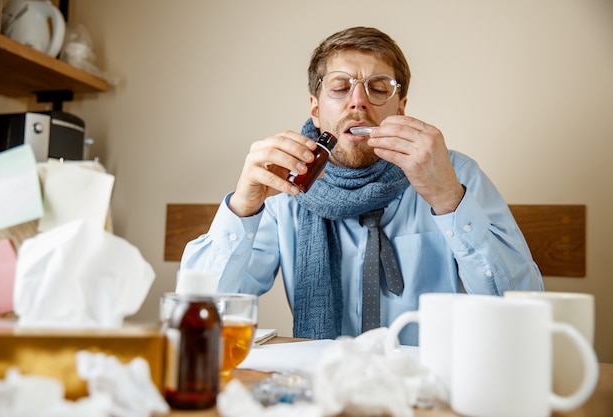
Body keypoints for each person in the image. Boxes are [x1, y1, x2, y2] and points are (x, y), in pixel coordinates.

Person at [181, 26, 544, 344]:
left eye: (378, 88)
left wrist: (449, 199)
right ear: (315, 108)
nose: (358, 102)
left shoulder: (455, 175)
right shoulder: (284, 187)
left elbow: (522, 309)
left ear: (401, 108)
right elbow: (198, 314)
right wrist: (243, 208)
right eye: (340, 87)